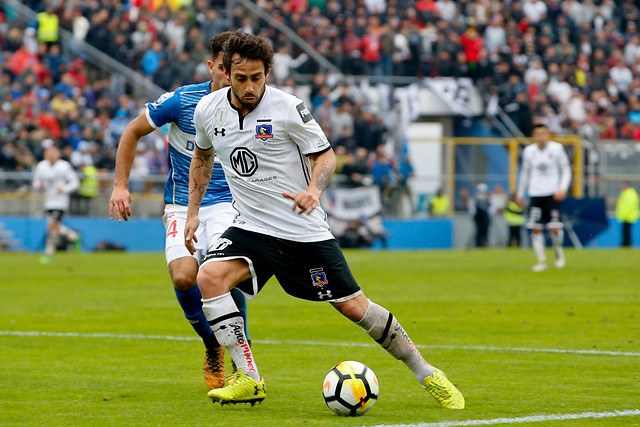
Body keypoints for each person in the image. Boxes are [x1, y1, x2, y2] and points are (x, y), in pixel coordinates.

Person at [185, 31, 464, 409]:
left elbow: (326, 156)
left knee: (354, 307)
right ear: (225, 71)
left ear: (268, 71)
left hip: (302, 232)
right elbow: (202, 157)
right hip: (249, 226)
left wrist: (314, 192)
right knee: (209, 277)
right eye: (240, 78)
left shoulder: (288, 108)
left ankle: (427, 372)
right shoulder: (208, 110)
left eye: (257, 77)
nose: (249, 87)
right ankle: (249, 377)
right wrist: (192, 213)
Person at [109, 32, 249, 391]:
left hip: (231, 206)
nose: (227, 78)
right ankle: (212, 345)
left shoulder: (251, 104)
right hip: (181, 204)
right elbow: (132, 131)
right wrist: (120, 186)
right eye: (222, 69)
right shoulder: (183, 100)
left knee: (222, 276)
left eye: (233, 72)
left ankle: (241, 366)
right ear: (212, 66)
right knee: (184, 278)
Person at [516, 124, 571, 272]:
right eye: (538, 134)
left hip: (552, 193)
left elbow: (566, 169)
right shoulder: (529, 151)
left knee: (554, 227)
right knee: (536, 228)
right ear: (534, 136)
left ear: (548, 134)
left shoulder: (557, 149)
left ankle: (558, 250)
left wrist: (562, 188)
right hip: (535, 193)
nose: (541, 137)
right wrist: (520, 194)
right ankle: (541, 261)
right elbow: (525, 173)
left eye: (543, 134)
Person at [32, 144, 80, 264]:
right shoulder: (41, 166)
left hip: (60, 203)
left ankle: (48, 255)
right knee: (53, 228)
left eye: (53, 152)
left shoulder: (64, 166)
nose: (51, 155)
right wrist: (39, 186)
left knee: (52, 226)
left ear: (58, 154)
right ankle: (72, 235)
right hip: (48, 202)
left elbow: (75, 183)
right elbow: (36, 182)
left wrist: (64, 189)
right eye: (48, 152)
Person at [616, 182, 639, 247]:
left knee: (626, 232)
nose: (622, 187)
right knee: (626, 232)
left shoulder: (629, 194)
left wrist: (624, 215)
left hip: (628, 217)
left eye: (624, 186)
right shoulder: (627, 193)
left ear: (627, 186)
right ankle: (626, 244)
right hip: (627, 216)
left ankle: (626, 245)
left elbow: (628, 206)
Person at [468, 183, 491, 247]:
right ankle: (478, 244)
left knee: (485, 231)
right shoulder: (475, 198)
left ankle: (484, 244)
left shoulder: (488, 198)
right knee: (478, 231)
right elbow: (472, 208)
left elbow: (492, 207)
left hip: (485, 217)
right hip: (478, 218)